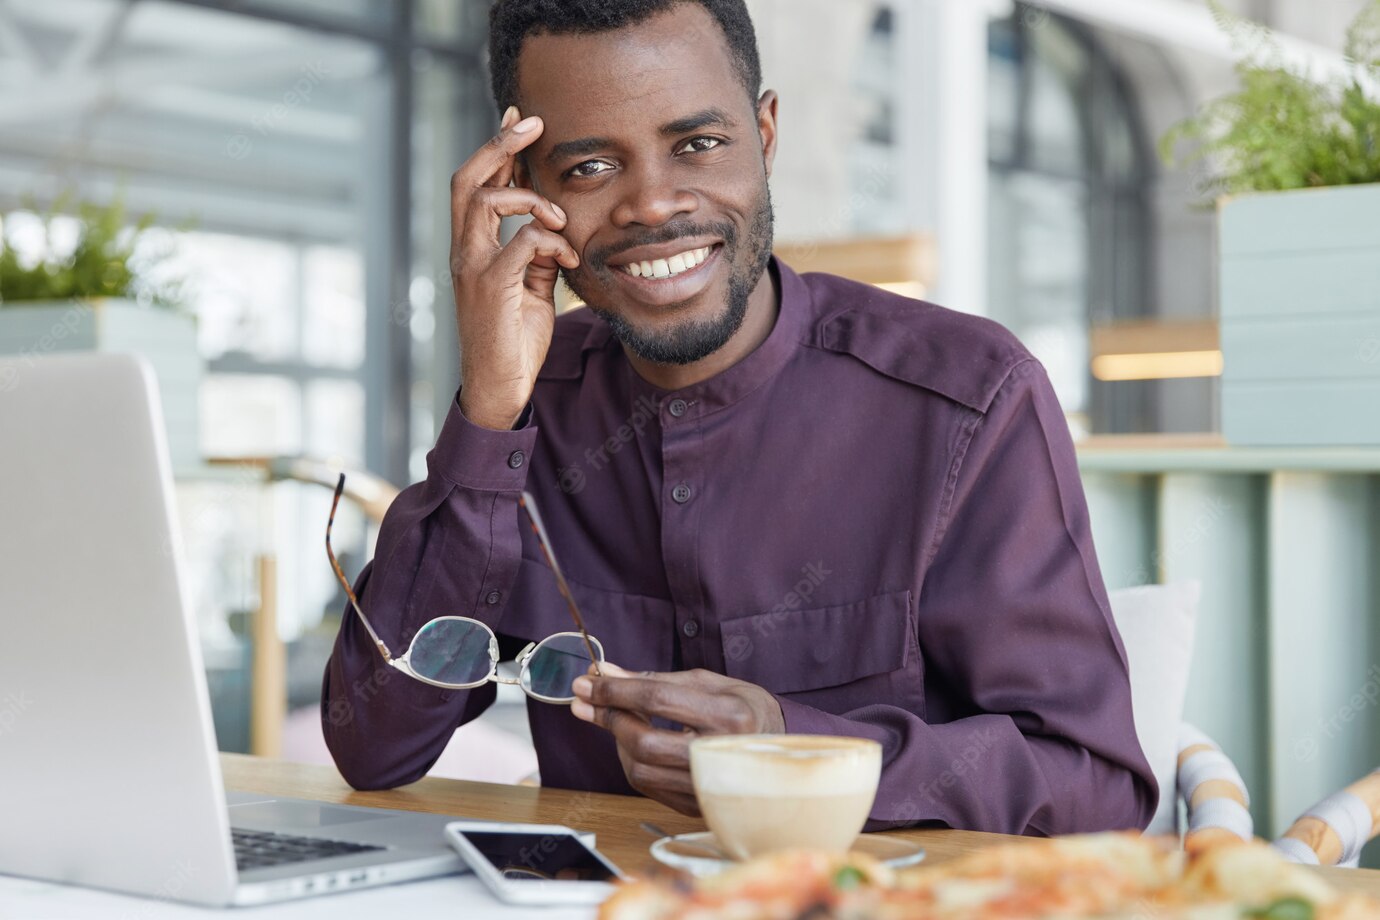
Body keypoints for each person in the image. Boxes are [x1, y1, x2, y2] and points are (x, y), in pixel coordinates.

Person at [322, 0, 1158, 836]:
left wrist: (792, 750)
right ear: (524, 190)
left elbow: (1095, 792)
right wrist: (488, 410)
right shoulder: (523, 396)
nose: (651, 204)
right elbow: (375, 744)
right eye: (587, 168)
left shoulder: (969, 399)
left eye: (697, 144)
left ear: (764, 134)